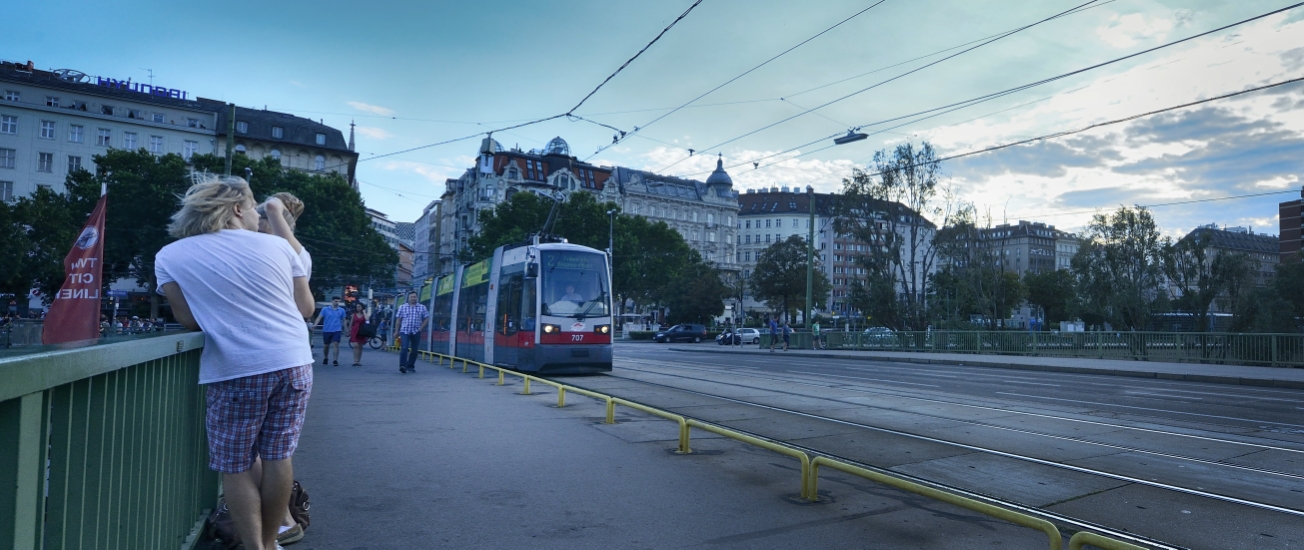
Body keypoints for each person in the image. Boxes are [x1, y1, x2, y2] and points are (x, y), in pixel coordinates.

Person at [154, 175, 314, 550]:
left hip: (236, 368)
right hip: (293, 361)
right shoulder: (277, 247)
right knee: (278, 457)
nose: (257, 212)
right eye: (254, 205)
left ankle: (256, 547)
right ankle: (274, 540)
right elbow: (305, 308)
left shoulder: (169, 255)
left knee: (235, 464)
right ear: (238, 208)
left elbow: (189, 321)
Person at [395, 291, 429, 373]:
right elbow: (398, 320)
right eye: (411, 297)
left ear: (417, 298)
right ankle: (402, 365)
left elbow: (427, 318)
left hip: (416, 331)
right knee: (404, 347)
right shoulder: (402, 307)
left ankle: (410, 365)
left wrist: (421, 328)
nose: (413, 298)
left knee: (414, 350)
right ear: (408, 298)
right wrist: (396, 331)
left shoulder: (422, 307)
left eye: (414, 297)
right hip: (404, 331)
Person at [314, 298, 347, 366]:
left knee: (336, 343)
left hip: (337, 330)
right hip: (327, 329)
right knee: (326, 345)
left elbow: (344, 320)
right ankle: (326, 357)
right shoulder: (325, 309)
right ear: (332, 301)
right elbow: (319, 317)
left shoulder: (341, 310)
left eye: (338, 301)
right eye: (335, 301)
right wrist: (315, 324)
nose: (337, 302)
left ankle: (335, 360)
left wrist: (346, 329)